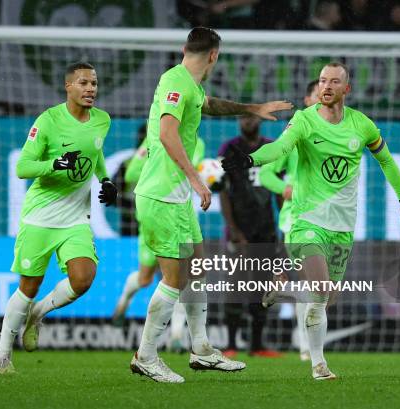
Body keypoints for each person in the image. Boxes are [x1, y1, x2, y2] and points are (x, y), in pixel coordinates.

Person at [222, 62, 400, 380]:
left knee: (325, 300)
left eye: (334, 81)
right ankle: (318, 365)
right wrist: (249, 159)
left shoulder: (362, 125)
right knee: (321, 289)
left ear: (346, 89)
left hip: (342, 226)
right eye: (323, 81)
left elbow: (385, 160)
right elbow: (280, 148)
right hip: (306, 221)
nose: (326, 86)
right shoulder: (304, 120)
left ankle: (282, 292)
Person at [130, 26, 293, 383]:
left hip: (174, 196)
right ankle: (146, 355)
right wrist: (193, 176)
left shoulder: (188, 84)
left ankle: (201, 349)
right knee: (173, 281)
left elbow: (210, 105)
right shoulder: (176, 82)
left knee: (198, 268)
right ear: (215, 55)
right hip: (161, 193)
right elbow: (166, 132)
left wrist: (253, 108)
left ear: (185, 48)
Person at [0, 62, 117, 374]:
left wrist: (105, 180)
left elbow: (95, 152)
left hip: (75, 218)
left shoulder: (102, 120)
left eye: (94, 83)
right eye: (84, 83)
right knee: (28, 286)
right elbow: (23, 167)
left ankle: (38, 314)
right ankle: (3, 351)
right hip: (40, 217)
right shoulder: (47, 121)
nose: (91, 89)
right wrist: (54, 164)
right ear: (69, 87)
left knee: (83, 278)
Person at [112, 135, 206, 352]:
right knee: (146, 278)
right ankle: (123, 303)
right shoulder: (155, 139)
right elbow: (132, 173)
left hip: (182, 216)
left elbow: (195, 175)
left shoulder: (197, 142)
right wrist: (159, 172)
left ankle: (176, 336)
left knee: (187, 277)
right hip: (156, 214)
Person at [258, 79, 319, 362]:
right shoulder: (294, 137)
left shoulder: (342, 135)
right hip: (296, 218)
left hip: (328, 216)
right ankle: (307, 346)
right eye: (317, 96)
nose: (323, 101)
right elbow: (267, 173)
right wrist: (285, 188)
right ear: (307, 102)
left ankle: (284, 290)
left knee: (322, 288)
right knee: (310, 282)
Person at [218, 114, 282, 359]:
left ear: (260, 121)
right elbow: (222, 191)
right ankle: (231, 344)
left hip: (265, 228)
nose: (247, 122)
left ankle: (257, 345)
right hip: (238, 229)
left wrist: (282, 223)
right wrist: (233, 230)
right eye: (243, 118)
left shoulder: (272, 147)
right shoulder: (229, 148)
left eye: (251, 118)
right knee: (235, 285)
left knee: (262, 285)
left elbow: (277, 185)